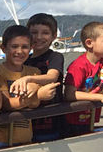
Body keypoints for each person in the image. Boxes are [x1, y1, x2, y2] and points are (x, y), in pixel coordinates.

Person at [0, 25, 59, 149]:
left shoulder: (34, 72)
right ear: (3, 48)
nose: (19, 51)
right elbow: (7, 104)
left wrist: (35, 91)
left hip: (25, 138)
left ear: (31, 48)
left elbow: (34, 105)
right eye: (14, 46)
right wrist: (37, 95)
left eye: (25, 47)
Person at [10, 13, 64, 142]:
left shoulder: (55, 57)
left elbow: (52, 76)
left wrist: (28, 79)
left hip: (50, 123)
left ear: (54, 36)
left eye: (45, 33)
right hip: (27, 123)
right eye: (34, 32)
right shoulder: (24, 60)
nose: (39, 37)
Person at [63, 21, 103, 137]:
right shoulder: (78, 66)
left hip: (90, 117)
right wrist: (101, 97)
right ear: (89, 43)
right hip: (71, 121)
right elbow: (70, 94)